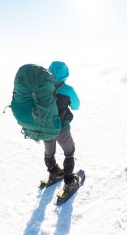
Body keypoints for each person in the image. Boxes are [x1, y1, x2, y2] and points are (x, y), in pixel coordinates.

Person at [43, 61, 80, 192]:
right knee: (69, 152)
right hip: (61, 128)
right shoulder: (67, 90)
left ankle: (53, 172)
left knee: (49, 152)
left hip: (45, 128)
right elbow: (76, 106)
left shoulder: (42, 88)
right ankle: (69, 182)